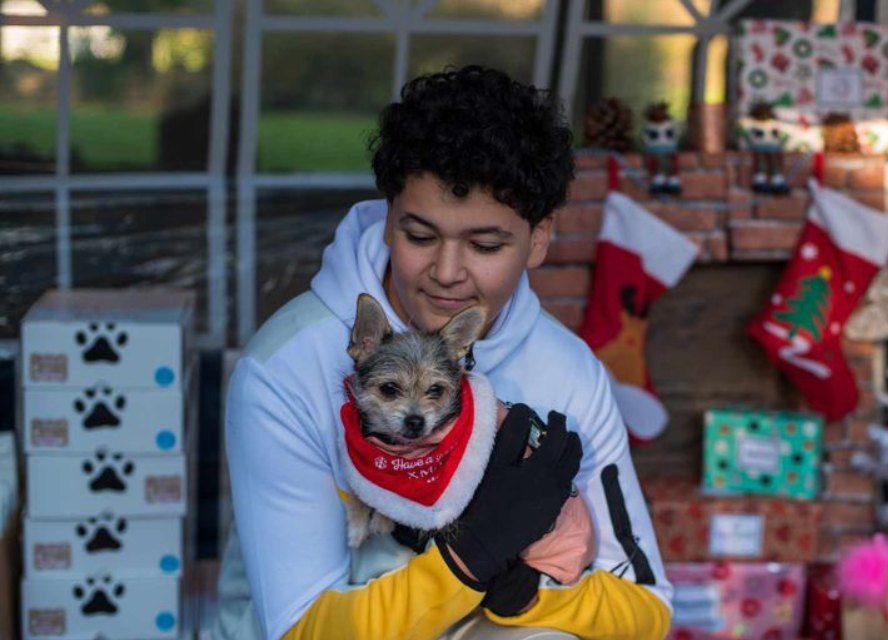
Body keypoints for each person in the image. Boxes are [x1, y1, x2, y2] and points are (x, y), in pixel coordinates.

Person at [214, 66, 672, 640]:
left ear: (540, 238)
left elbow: (646, 614)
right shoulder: (285, 367)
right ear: (387, 219)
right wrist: (467, 562)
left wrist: (526, 598)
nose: (447, 273)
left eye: (485, 244)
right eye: (420, 236)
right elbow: (300, 630)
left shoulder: (569, 373)